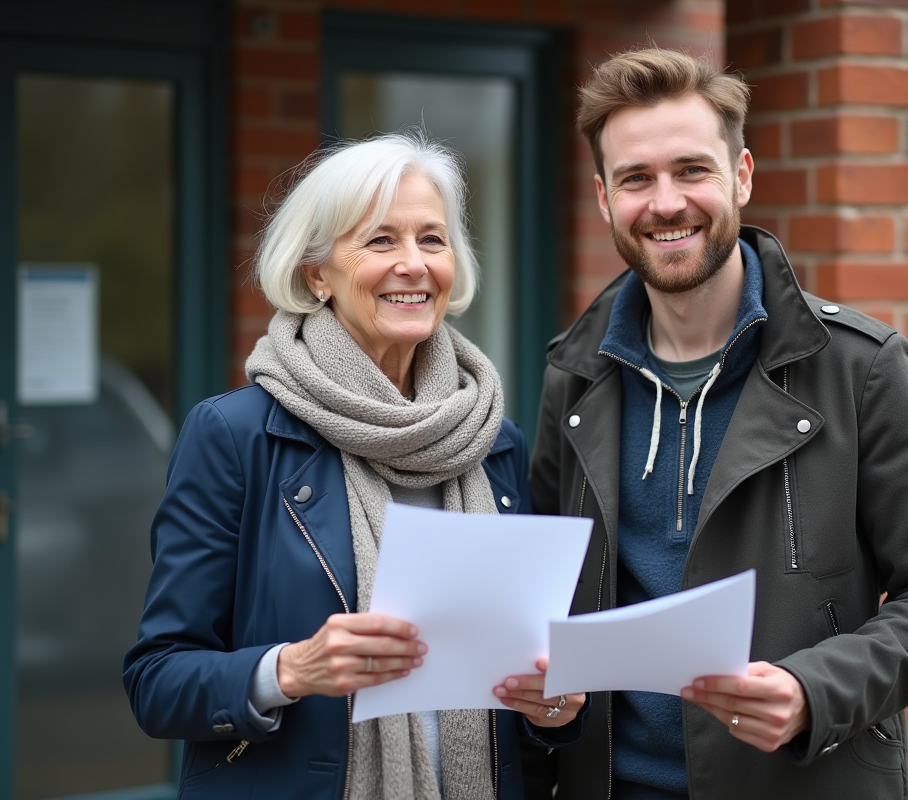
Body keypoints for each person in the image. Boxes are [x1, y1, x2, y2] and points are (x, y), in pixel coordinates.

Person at [528, 48, 908, 798]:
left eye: (692, 170)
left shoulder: (859, 367)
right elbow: (542, 605)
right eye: (636, 178)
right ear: (604, 198)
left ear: (741, 175)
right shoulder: (570, 376)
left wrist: (816, 690)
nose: (667, 202)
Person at [123, 131, 585, 800]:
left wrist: (557, 709)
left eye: (432, 240)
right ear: (317, 274)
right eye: (379, 241)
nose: (413, 264)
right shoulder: (235, 436)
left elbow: (529, 670)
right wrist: (291, 669)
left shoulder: (493, 440)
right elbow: (156, 681)